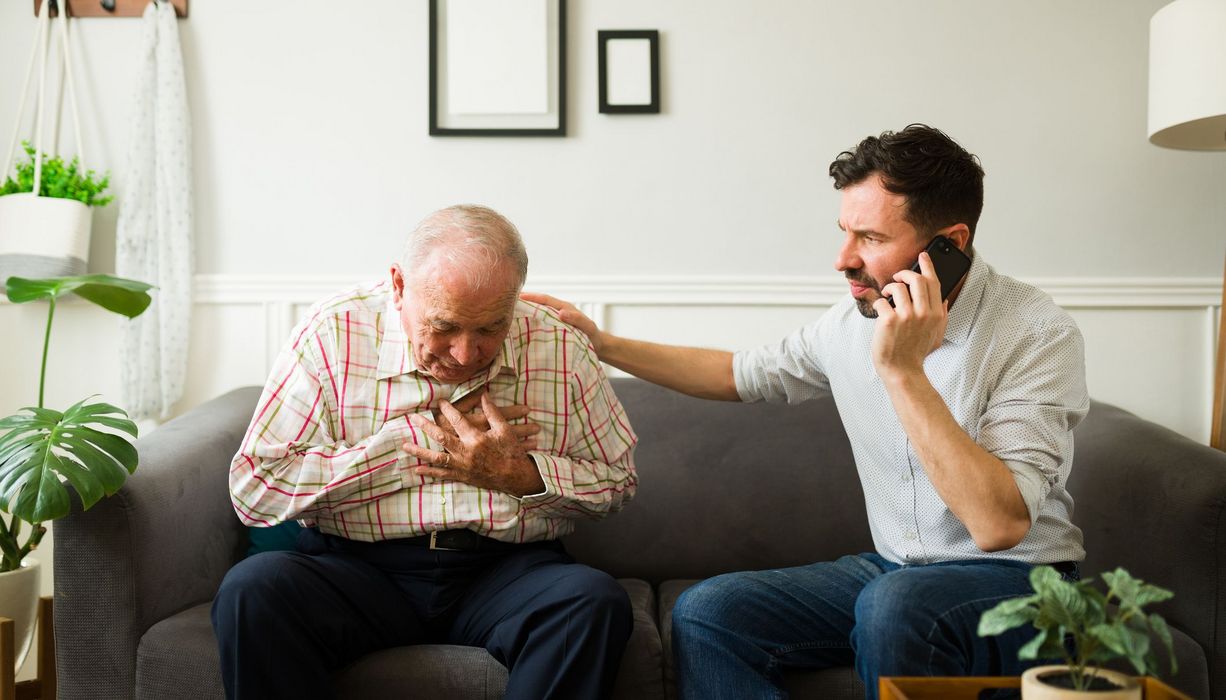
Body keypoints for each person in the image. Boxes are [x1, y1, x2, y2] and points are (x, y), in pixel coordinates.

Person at [524, 124, 1089, 700]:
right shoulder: (849, 323)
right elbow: (737, 373)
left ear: (949, 242)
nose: (843, 259)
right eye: (845, 232)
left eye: (869, 237)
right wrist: (604, 343)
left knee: (895, 605)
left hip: (1023, 584)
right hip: (898, 573)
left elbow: (999, 525)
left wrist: (903, 371)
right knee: (709, 611)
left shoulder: (1035, 333)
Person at [213, 204, 638, 700]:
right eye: (445, 326)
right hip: (358, 569)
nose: (464, 354)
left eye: (489, 329)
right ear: (398, 285)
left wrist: (521, 476)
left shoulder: (560, 345)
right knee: (253, 590)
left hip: (506, 570)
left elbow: (617, 482)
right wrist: (412, 442)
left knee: (591, 601)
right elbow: (255, 488)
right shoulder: (332, 333)